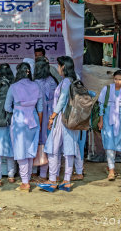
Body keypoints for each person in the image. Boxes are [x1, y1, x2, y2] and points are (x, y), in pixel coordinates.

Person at [38, 56, 81, 193]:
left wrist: (52, 117)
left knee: (53, 148)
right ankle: (66, 182)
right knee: (69, 150)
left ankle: (52, 181)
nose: (57, 69)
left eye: (58, 66)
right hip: (72, 120)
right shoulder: (74, 81)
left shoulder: (66, 82)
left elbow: (62, 100)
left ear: (63, 67)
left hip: (62, 119)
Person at [5, 62, 43, 192]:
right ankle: (27, 178)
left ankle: (25, 182)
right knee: (31, 151)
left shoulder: (13, 87)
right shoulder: (36, 86)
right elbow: (40, 108)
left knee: (20, 151)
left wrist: (17, 109)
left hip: (19, 121)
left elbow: (6, 107)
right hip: (33, 120)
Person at [98, 70, 121, 181]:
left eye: (120, 79)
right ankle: (111, 171)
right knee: (109, 144)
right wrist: (101, 120)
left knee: (115, 144)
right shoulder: (106, 89)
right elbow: (101, 106)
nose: (117, 81)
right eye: (115, 79)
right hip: (107, 120)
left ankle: (110, 165)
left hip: (118, 121)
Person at [33, 57, 58, 182]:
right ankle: (52, 173)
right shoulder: (53, 81)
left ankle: (41, 174)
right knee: (52, 145)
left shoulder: (35, 84)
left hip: (40, 117)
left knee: (41, 144)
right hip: (52, 116)